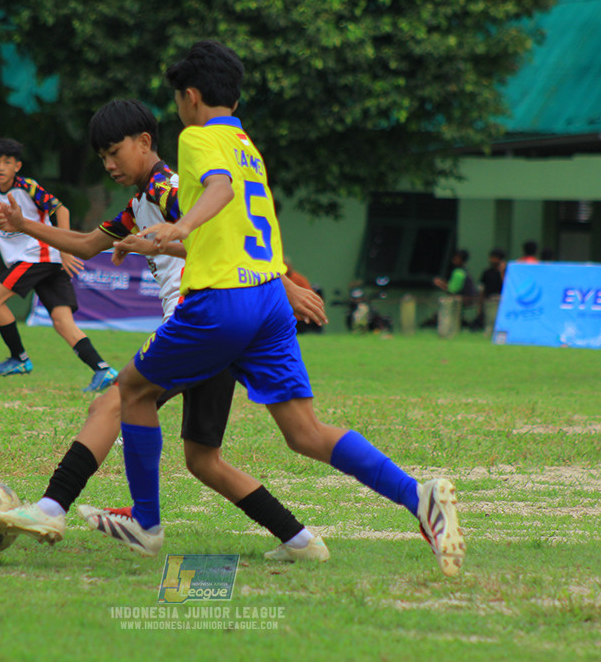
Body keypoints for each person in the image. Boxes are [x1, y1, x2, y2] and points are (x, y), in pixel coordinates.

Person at [80, 41, 465, 577]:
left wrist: (181, 225)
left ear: (190, 97)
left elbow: (218, 190)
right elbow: (239, 219)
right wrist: (164, 242)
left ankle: (145, 523)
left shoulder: (196, 139)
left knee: (132, 390)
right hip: (266, 300)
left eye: (177, 100)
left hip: (221, 302)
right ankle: (416, 496)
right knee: (305, 433)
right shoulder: (244, 142)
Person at [0, 99, 330, 561]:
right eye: (101, 157)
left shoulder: (170, 188)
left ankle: (51, 506)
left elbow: (225, 235)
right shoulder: (141, 202)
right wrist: (25, 224)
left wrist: (283, 283)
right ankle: (300, 541)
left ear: (144, 142)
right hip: (214, 330)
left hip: (200, 321)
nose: (108, 164)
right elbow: (86, 243)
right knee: (204, 460)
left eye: (114, 152)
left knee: (115, 400)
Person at [0, 138, 117, 391]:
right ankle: (103, 370)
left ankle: (19, 358)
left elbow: (60, 210)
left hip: (38, 256)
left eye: (7, 162)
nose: (1, 167)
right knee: (63, 322)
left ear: (17, 166)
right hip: (46, 261)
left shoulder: (28, 187)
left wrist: (65, 248)